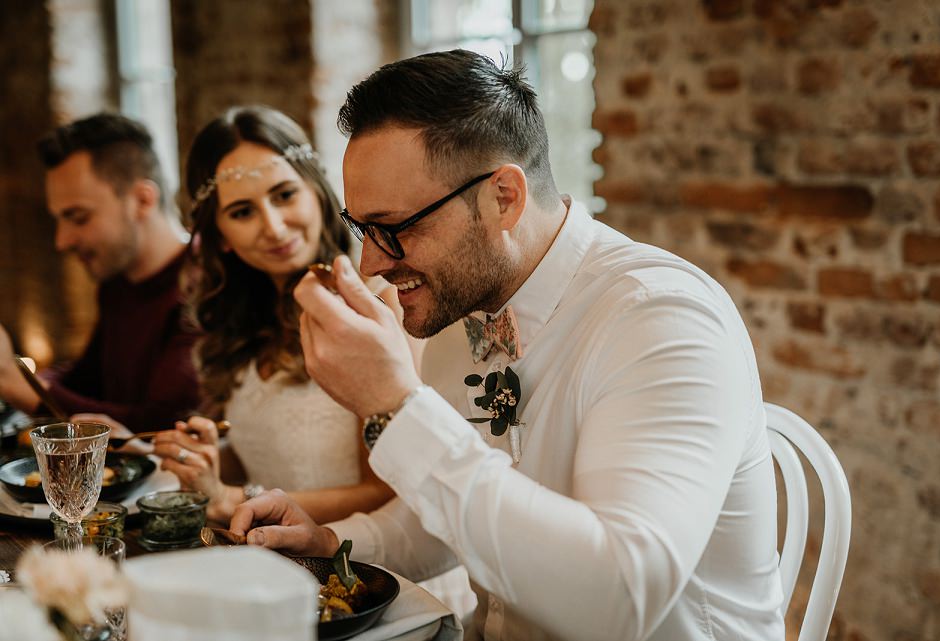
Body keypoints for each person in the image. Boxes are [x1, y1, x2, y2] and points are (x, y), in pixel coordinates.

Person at [231, 50, 785, 641]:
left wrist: (396, 407)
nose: (371, 261)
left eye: (396, 228)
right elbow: (454, 520)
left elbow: (620, 599)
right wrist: (334, 543)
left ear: (504, 197)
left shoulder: (661, 319)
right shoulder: (458, 316)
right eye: (364, 230)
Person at [150, 105, 400, 528]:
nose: (275, 227)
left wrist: (232, 499)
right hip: (274, 566)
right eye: (243, 212)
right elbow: (267, 463)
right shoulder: (244, 322)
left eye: (285, 195)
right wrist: (207, 462)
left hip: (373, 573)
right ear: (221, 237)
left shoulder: (377, 306)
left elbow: (387, 493)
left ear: (317, 192)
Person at [0, 114, 199, 432]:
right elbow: (86, 380)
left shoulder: (203, 282)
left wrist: (15, 384)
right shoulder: (118, 282)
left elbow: (162, 423)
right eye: (59, 220)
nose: (61, 241)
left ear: (142, 200)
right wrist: (28, 377)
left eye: (78, 218)